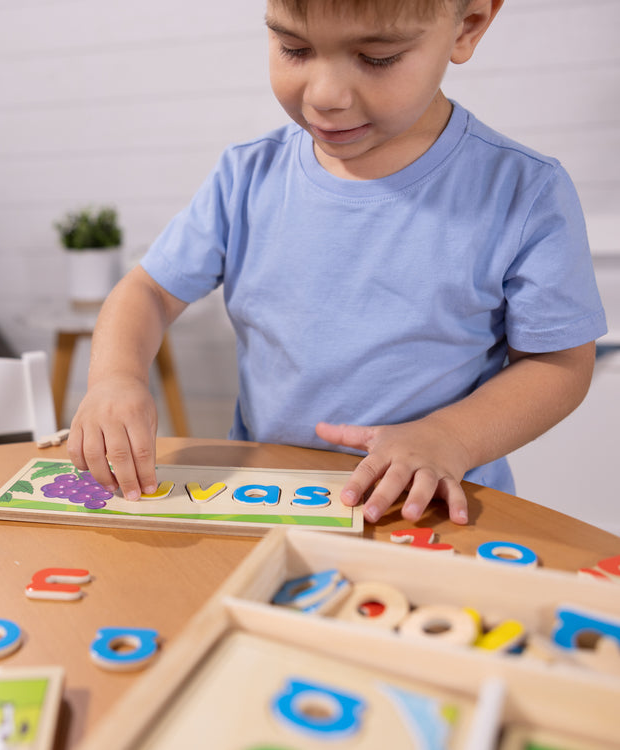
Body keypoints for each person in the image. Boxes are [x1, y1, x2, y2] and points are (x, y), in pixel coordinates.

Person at [67, 0, 607, 525]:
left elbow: (559, 364)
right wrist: (115, 377)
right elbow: (148, 291)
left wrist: (452, 436)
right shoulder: (247, 176)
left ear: (467, 25)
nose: (324, 95)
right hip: (269, 503)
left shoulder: (522, 190)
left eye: (377, 57)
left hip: (427, 510)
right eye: (294, 48)